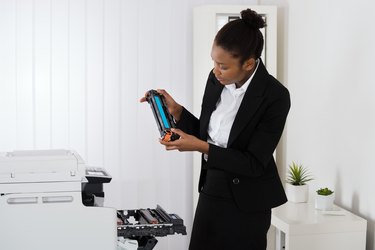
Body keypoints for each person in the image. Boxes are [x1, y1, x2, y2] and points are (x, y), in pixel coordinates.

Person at [140, 8, 290, 250]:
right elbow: (206, 133)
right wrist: (176, 110)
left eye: (223, 65)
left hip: (249, 202)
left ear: (249, 64)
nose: (215, 70)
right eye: (214, 62)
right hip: (212, 189)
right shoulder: (216, 79)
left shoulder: (275, 96)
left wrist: (200, 147)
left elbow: (253, 162)